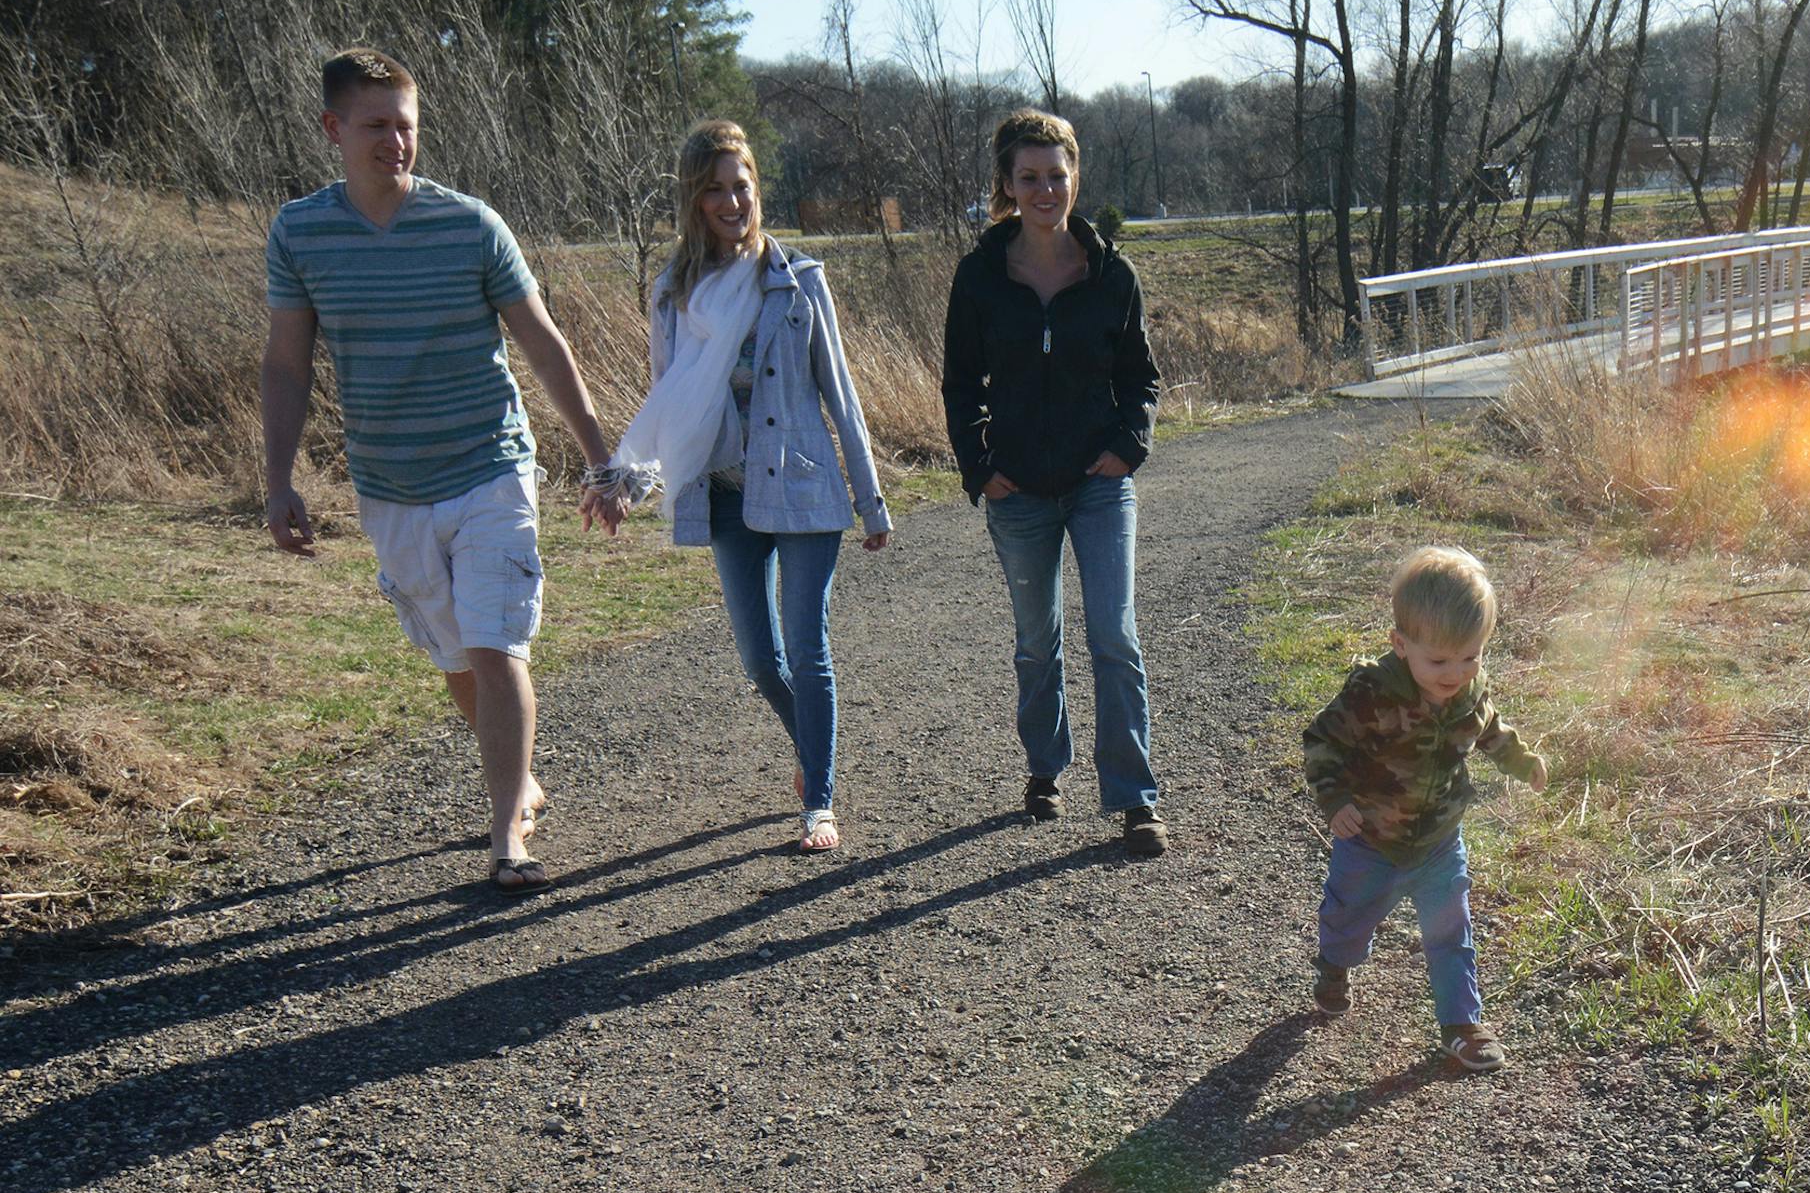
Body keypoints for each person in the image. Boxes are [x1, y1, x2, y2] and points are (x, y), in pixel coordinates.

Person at [261, 48, 613, 895]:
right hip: (390, 485)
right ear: (333, 130)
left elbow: (540, 340)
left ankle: (506, 840)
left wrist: (602, 451)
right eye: (376, 126)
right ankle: (518, 781)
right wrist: (277, 479)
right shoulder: (300, 232)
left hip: (489, 466)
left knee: (496, 647)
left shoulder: (470, 224)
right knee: (457, 656)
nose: (395, 142)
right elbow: (285, 363)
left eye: (406, 126)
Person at [581, 120, 891, 853]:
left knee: (806, 645)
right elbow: (669, 410)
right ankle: (811, 746)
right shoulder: (673, 295)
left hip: (805, 489)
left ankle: (819, 799)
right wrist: (628, 483)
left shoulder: (797, 282)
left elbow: (840, 394)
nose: (732, 201)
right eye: (715, 189)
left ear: (758, 188)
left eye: (742, 185)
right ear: (695, 201)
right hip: (725, 495)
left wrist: (871, 498)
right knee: (759, 658)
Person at [941, 109, 1168, 858]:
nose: (1046, 189)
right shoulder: (980, 277)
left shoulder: (1111, 275)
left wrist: (1128, 446)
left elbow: (1140, 378)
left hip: (1099, 482)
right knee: (1037, 642)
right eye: (1030, 177)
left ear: (1076, 177)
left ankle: (1135, 797)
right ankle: (1045, 768)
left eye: (1058, 175)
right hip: (1019, 492)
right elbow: (958, 383)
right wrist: (982, 468)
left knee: (1115, 633)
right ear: (1007, 185)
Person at [1301, 547, 1551, 1071]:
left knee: (1450, 929)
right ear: (1400, 644)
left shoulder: (1468, 692)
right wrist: (1336, 798)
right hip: (1371, 840)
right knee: (1350, 920)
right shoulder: (1372, 693)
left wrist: (1521, 761)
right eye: (1439, 660)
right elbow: (1324, 742)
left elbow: (1490, 731)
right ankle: (1334, 964)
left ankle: (1462, 1026)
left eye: (1471, 657)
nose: (1456, 672)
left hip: (1440, 840)